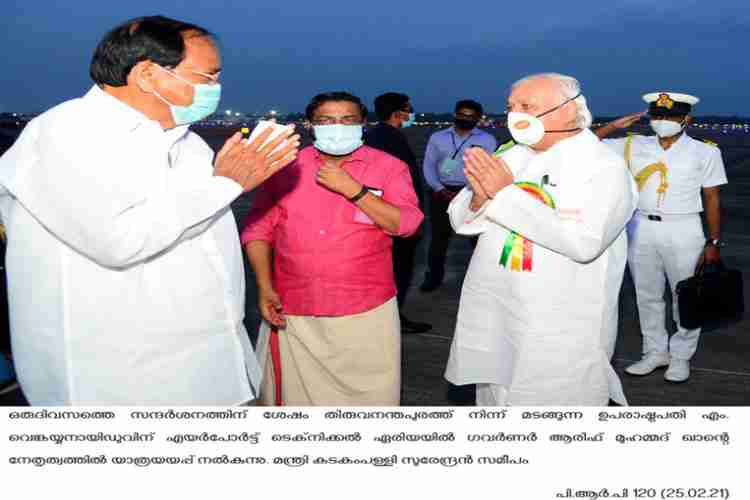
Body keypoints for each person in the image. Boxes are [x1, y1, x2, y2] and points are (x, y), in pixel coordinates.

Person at [0, 16, 300, 405]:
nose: (215, 89)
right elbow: (118, 241)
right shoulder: (68, 133)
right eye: (207, 77)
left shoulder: (186, 142)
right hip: (122, 374)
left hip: (204, 360)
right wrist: (225, 184)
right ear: (147, 74)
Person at [444, 73, 637, 406]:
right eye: (511, 107)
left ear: (569, 110)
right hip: (498, 312)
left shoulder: (604, 168)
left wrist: (502, 195)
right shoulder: (514, 156)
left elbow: (584, 243)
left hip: (557, 325)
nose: (515, 115)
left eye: (527, 106)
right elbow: (461, 218)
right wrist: (478, 198)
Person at [242, 91, 423, 406]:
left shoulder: (389, 167)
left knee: (369, 401)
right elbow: (258, 229)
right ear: (311, 125)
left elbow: (406, 225)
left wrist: (355, 191)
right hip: (295, 307)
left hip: (365, 308)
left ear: (363, 124)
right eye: (326, 120)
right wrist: (263, 285)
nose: (336, 127)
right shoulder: (285, 168)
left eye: (347, 120)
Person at [596, 92, 727, 383]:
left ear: (686, 120)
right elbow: (587, 146)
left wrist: (713, 242)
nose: (662, 122)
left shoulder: (705, 152)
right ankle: (655, 352)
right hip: (640, 227)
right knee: (647, 295)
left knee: (686, 295)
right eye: (657, 116)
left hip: (684, 228)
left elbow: (712, 197)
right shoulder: (632, 144)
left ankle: (681, 356)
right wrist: (614, 125)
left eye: (669, 117)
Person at [364, 92, 431, 334]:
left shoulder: (379, 136)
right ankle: (392, 319)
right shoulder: (387, 139)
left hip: (386, 215)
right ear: (397, 113)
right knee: (398, 270)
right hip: (394, 218)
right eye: (408, 109)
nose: (411, 114)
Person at [420, 99, 497, 292]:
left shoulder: (487, 140)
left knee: (477, 239)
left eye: (471, 116)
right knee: (439, 239)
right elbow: (429, 165)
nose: (466, 118)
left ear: (478, 119)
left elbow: (489, 168)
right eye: (462, 114)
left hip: (472, 194)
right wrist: (438, 188)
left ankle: (483, 281)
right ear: (455, 114)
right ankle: (434, 277)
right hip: (441, 193)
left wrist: (474, 192)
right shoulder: (438, 138)